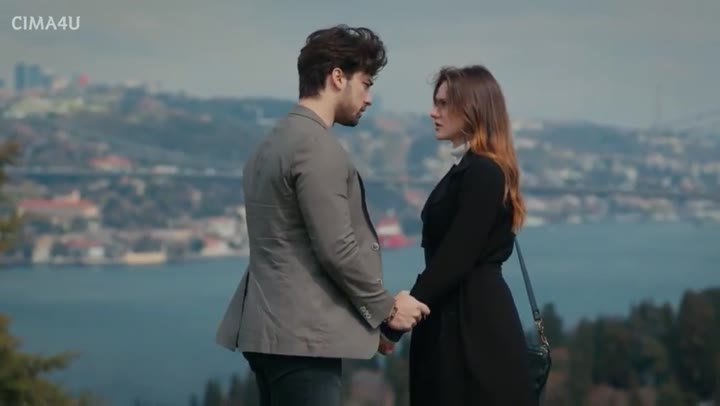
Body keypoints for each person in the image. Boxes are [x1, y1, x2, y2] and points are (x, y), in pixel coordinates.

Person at [214, 24, 431, 406]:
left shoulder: (270, 143)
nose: (368, 99)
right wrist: (387, 310)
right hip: (304, 340)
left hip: (265, 332)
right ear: (337, 77)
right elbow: (337, 249)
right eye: (365, 84)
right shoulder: (317, 148)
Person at [379, 65, 537, 405]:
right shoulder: (474, 170)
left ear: (472, 109)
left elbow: (456, 256)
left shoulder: (482, 172)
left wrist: (396, 321)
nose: (433, 112)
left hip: (472, 330)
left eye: (443, 103)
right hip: (460, 320)